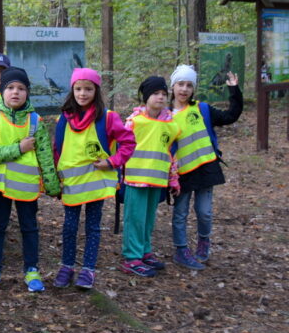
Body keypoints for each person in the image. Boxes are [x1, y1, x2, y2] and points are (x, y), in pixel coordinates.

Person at [0, 68, 60, 292]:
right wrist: (19, 148)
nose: (15, 92)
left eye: (21, 88)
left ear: (28, 93)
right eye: (10, 88)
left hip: (26, 186)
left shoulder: (35, 121)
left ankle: (31, 269)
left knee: (29, 227)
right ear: (2, 91)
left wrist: (53, 186)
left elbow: (44, 154)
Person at [52, 69, 135, 289]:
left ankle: (88, 270)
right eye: (78, 88)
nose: (82, 93)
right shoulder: (64, 118)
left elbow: (128, 143)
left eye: (88, 89)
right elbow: (57, 150)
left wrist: (112, 162)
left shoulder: (108, 118)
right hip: (71, 184)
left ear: (96, 91)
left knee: (92, 226)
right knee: (69, 227)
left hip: (97, 183)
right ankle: (66, 266)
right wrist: (54, 179)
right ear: (72, 90)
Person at [169, 65, 242, 270]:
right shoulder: (164, 115)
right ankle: (181, 250)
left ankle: (203, 241)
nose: (184, 89)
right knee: (180, 212)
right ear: (172, 86)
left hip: (206, 168)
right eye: (180, 84)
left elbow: (230, 116)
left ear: (193, 89)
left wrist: (234, 90)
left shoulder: (202, 109)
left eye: (189, 85)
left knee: (204, 212)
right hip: (181, 173)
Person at [120, 76, 180, 277]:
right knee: (134, 218)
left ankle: (144, 251)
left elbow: (171, 153)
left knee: (148, 219)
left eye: (164, 94)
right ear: (146, 97)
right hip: (135, 180)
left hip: (157, 180)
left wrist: (173, 178)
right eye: (155, 94)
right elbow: (121, 148)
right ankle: (132, 257)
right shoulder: (134, 121)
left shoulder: (171, 124)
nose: (160, 98)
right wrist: (117, 177)